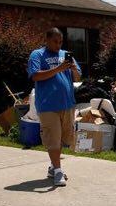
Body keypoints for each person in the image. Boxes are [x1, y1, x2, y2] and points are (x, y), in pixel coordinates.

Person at [27, 28, 81, 186]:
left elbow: (78, 77)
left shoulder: (66, 55)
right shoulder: (37, 55)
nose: (58, 45)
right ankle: (58, 171)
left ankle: (53, 167)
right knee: (53, 138)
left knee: (63, 138)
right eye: (55, 41)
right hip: (48, 105)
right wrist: (58, 69)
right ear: (47, 40)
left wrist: (72, 69)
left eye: (60, 42)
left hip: (67, 103)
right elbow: (35, 75)